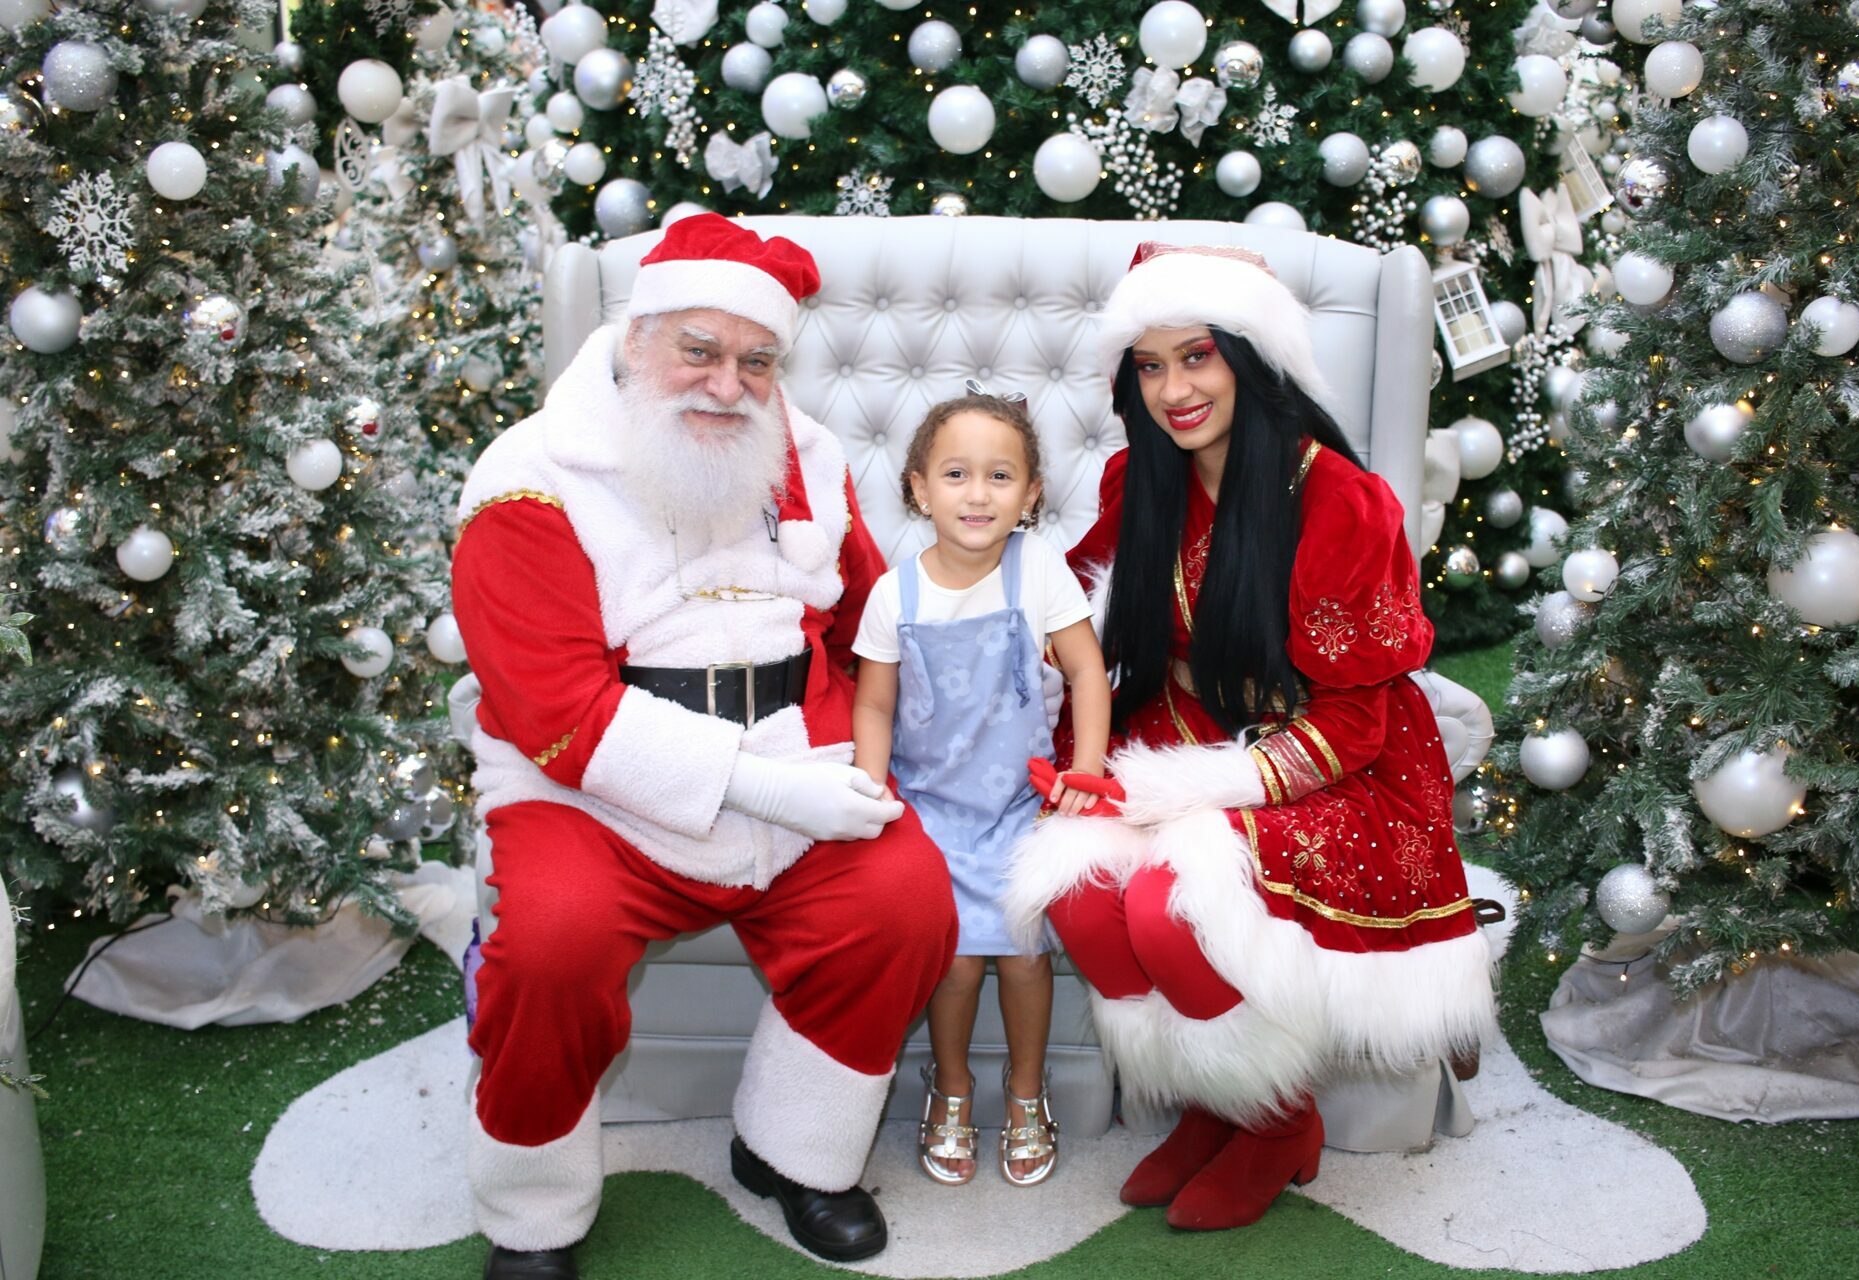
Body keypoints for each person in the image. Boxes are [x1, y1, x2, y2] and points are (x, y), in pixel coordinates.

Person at [449, 214, 957, 1280]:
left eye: (756, 360)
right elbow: (558, 710)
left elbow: (864, 618)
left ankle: (794, 1152)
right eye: (699, 350)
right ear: (639, 338)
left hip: (798, 749)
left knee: (904, 902)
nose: (728, 385)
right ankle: (534, 1213)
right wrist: (762, 788)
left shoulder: (807, 453)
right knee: (550, 947)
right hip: (591, 790)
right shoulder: (528, 475)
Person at [1003, 242, 1497, 1231]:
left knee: (1167, 906)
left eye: (1198, 357)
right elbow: (1077, 621)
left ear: (1251, 358)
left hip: (1334, 763)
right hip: (1179, 733)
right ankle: (1216, 1101)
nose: (1174, 390)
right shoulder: (1140, 481)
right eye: (1150, 366)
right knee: (1081, 895)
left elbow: (1355, 722)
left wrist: (1192, 788)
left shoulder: (1341, 499)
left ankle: (1276, 1122)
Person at [848, 392, 1111, 1188]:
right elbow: (874, 704)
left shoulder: (1039, 571)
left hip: (1017, 807)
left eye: (1001, 476)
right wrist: (869, 788)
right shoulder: (895, 594)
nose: (978, 494)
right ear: (919, 488)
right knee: (958, 962)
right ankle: (951, 1086)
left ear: (1031, 493)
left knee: (1025, 956)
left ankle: (1026, 1089)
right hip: (930, 811)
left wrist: (1086, 768)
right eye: (956, 474)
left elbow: (1086, 672)